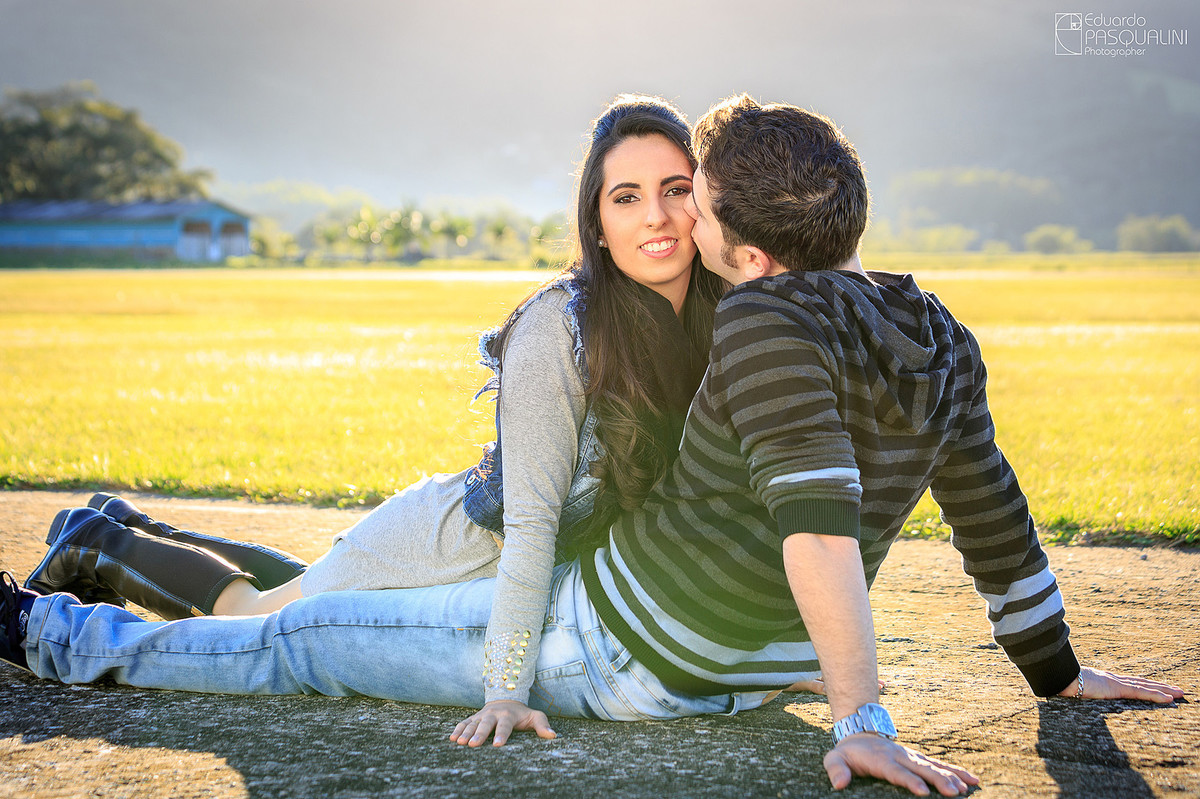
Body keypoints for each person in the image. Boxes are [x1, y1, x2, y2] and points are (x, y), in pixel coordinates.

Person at [1, 95, 1183, 796]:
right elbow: (979, 502)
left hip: (615, 629)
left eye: (690, 195)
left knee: (294, 638)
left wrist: (902, 706)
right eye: (635, 197)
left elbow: (863, 511)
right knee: (296, 618)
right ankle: (85, 573)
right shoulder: (919, 323)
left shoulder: (761, 318)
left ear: (732, 228)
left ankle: (67, 593)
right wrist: (1040, 671)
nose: (671, 218)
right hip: (515, 561)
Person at [17, 93, 726, 731]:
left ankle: (129, 529)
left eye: (673, 190)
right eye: (626, 197)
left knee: (296, 581)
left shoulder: (720, 317)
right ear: (597, 225)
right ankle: (98, 544)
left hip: (478, 557)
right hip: (447, 551)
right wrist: (505, 688)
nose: (656, 216)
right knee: (260, 615)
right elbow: (533, 527)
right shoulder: (562, 326)